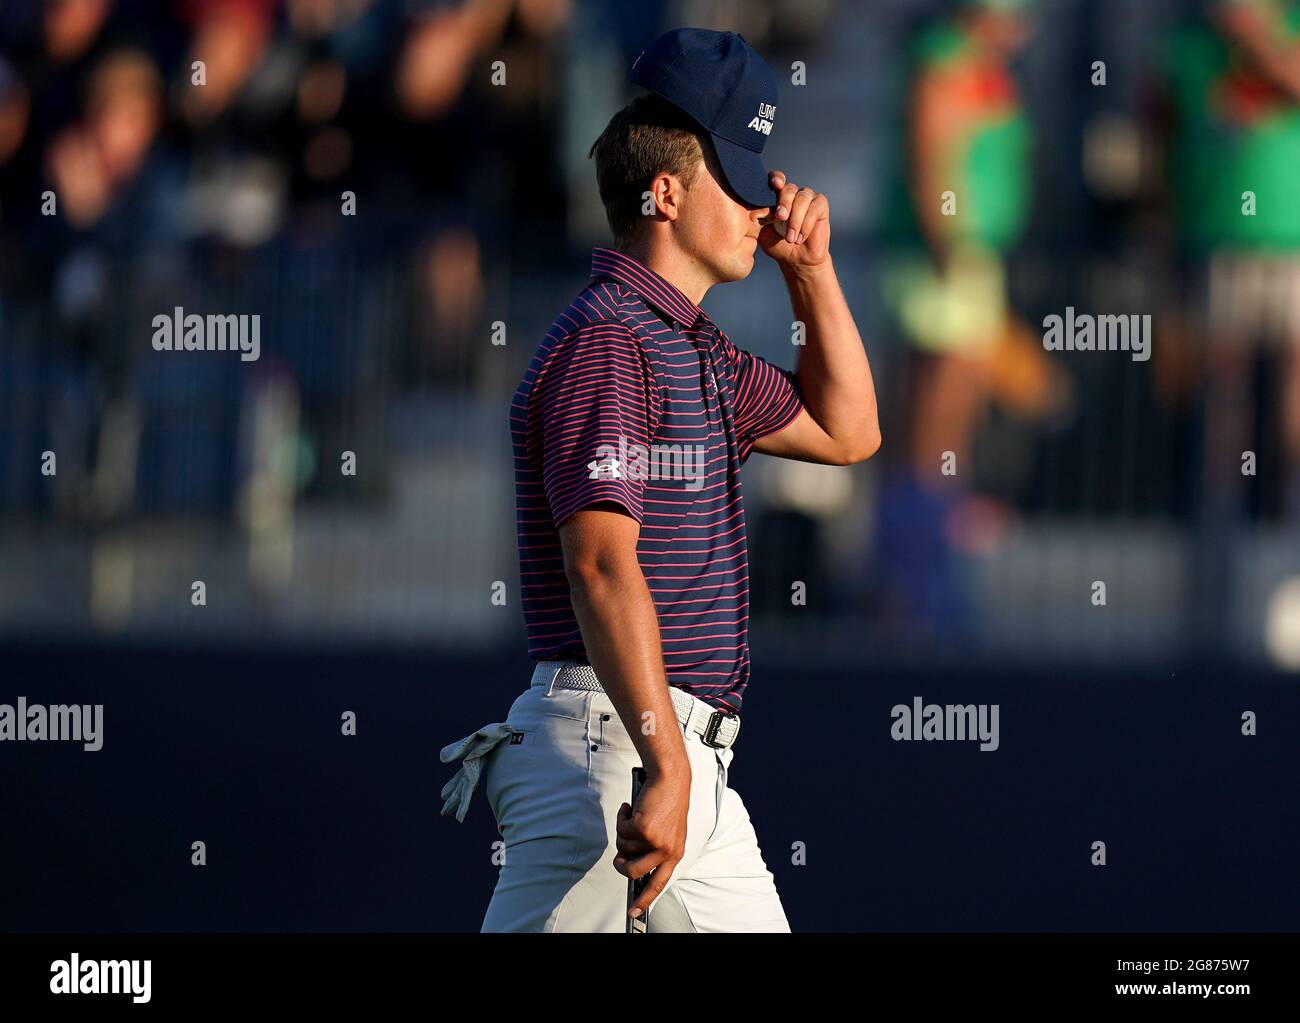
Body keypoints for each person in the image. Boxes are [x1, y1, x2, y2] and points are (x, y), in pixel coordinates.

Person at [439, 27, 880, 932]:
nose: (765, 205)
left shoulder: (695, 347)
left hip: (666, 753)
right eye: (740, 177)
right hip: (617, 749)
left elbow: (849, 431)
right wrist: (666, 761)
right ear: (668, 192)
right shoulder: (610, 341)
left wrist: (814, 275)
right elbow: (600, 565)